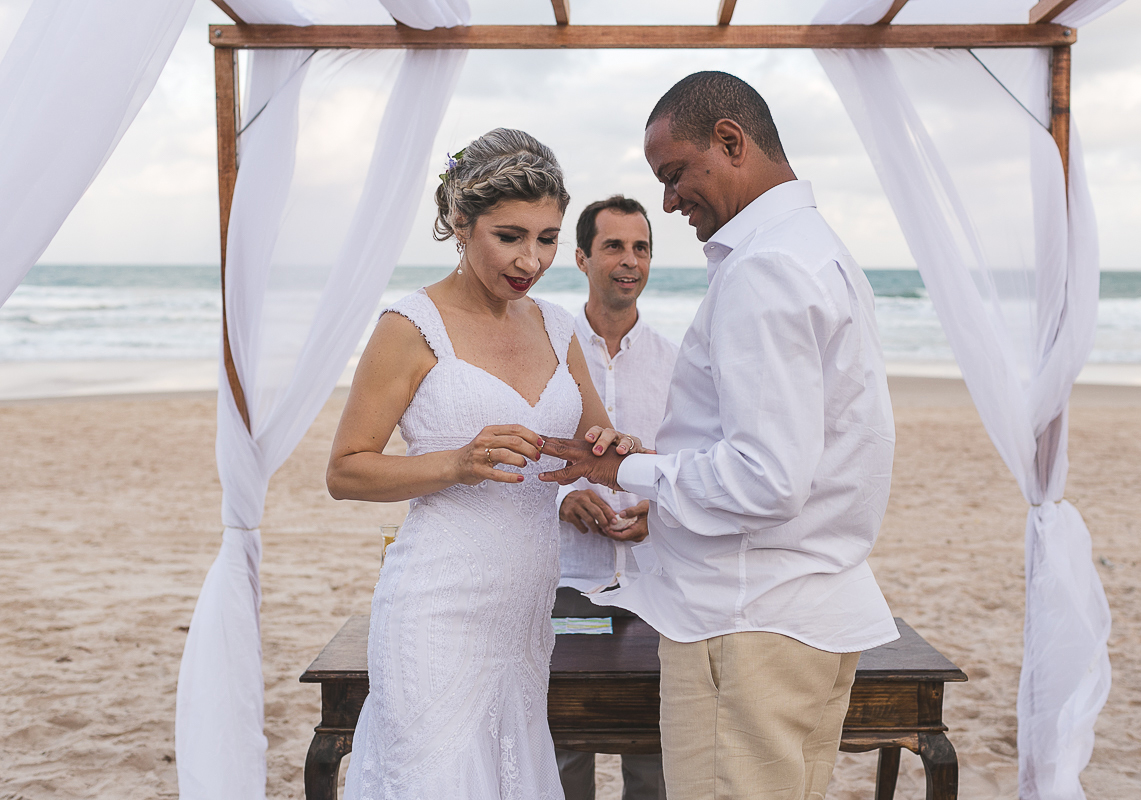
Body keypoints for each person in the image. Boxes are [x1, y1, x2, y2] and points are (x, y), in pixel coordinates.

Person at [540, 72, 900, 799]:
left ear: (730, 141)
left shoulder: (764, 268)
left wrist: (626, 474)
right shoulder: (817, 250)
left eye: (674, 175)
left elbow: (766, 478)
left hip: (747, 628)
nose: (670, 200)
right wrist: (653, 470)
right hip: (805, 614)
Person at [326, 128, 642, 800]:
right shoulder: (409, 327)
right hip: (435, 609)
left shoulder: (559, 328)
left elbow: (595, 443)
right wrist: (456, 463)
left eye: (549, 238)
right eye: (511, 236)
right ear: (459, 222)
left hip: (525, 609)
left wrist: (615, 455)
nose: (532, 259)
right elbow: (346, 470)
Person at [553, 196, 677, 800]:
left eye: (642, 247)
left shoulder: (677, 365)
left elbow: (694, 469)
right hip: (564, 582)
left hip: (656, 587)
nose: (630, 261)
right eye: (614, 246)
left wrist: (658, 510)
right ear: (581, 257)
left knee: (653, 752)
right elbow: (513, 460)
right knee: (563, 747)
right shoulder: (546, 354)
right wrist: (561, 503)